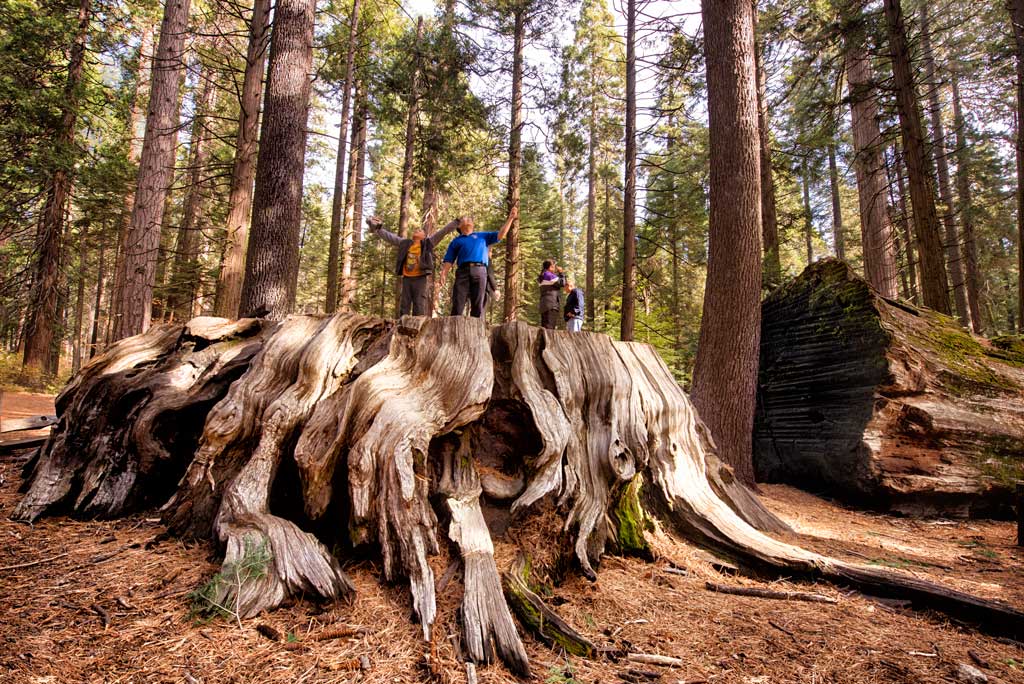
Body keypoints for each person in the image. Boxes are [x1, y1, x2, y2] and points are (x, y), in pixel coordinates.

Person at [367, 213, 459, 316]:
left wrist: (456, 222)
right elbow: (390, 237)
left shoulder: (427, 244)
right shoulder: (405, 243)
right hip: (407, 278)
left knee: (419, 303)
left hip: (420, 279)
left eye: (420, 231)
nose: (417, 230)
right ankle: (401, 325)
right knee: (404, 304)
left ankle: (418, 326)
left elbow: (443, 232)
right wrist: (378, 229)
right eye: (416, 230)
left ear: (424, 237)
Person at [435, 206, 517, 318]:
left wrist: (511, 218)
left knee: (478, 303)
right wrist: (444, 273)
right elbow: (449, 259)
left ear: (473, 225)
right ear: (459, 226)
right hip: (462, 271)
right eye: (464, 219)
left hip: (480, 270)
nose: (467, 219)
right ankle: (454, 327)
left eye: (469, 219)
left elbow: (500, 234)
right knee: (458, 301)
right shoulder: (456, 241)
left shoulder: (483, 236)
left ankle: (477, 328)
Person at [537, 260, 564, 329]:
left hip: (544, 305)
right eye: (554, 266)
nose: (555, 268)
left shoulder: (543, 275)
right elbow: (562, 283)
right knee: (550, 329)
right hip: (551, 305)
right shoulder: (549, 275)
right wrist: (561, 273)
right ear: (551, 267)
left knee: (545, 328)